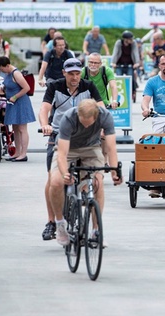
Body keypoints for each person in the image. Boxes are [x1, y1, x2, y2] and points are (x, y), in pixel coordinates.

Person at [39, 58, 104, 241]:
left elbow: (100, 107)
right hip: (59, 135)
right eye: (71, 74)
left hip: (84, 138)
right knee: (53, 179)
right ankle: (52, 222)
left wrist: (100, 126)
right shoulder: (55, 87)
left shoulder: (88, 86)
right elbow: (44, 109)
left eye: (77, 73)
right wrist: (45, 125)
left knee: (93, 177)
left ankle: (94, 226)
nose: (75, 77)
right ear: (64, 73)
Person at [48, 99, 122, 246]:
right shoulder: (69, 118)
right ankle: (60, 223)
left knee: (97, 183)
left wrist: (114, 171)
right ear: (78, 114)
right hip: (68, 149)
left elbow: (111, 147)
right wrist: (64, 173)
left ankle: (96, 229)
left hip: (91, 148)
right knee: (56, 182)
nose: (85, 126)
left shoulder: (105, 116)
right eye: (82, 122)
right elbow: (62, 154)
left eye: (89, 123)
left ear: (96, 116)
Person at [0, 56, 36, 162]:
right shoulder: (8, 73)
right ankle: (17, 152)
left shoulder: (16, 73)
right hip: (12, 103)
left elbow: (26, 88)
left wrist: (15, 97)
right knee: (15, 129)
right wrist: (2, 88)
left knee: (22, 129)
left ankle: (23, 153)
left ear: (7, 66)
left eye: (2, 68)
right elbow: (8, 84)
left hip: (20, 102)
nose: (1, 71)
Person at [111, 31, 140, 103]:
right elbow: (115, 52)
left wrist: (137, 63)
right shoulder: (119, 43)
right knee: (118, 79)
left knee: (131, 78)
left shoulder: (133, 44)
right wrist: (113, 62)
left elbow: (136, 53)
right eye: (130, 39)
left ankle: (133, 91)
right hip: (119, 64)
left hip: (130, 64)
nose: (132, 40)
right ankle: (117, 93)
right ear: (126, 39)